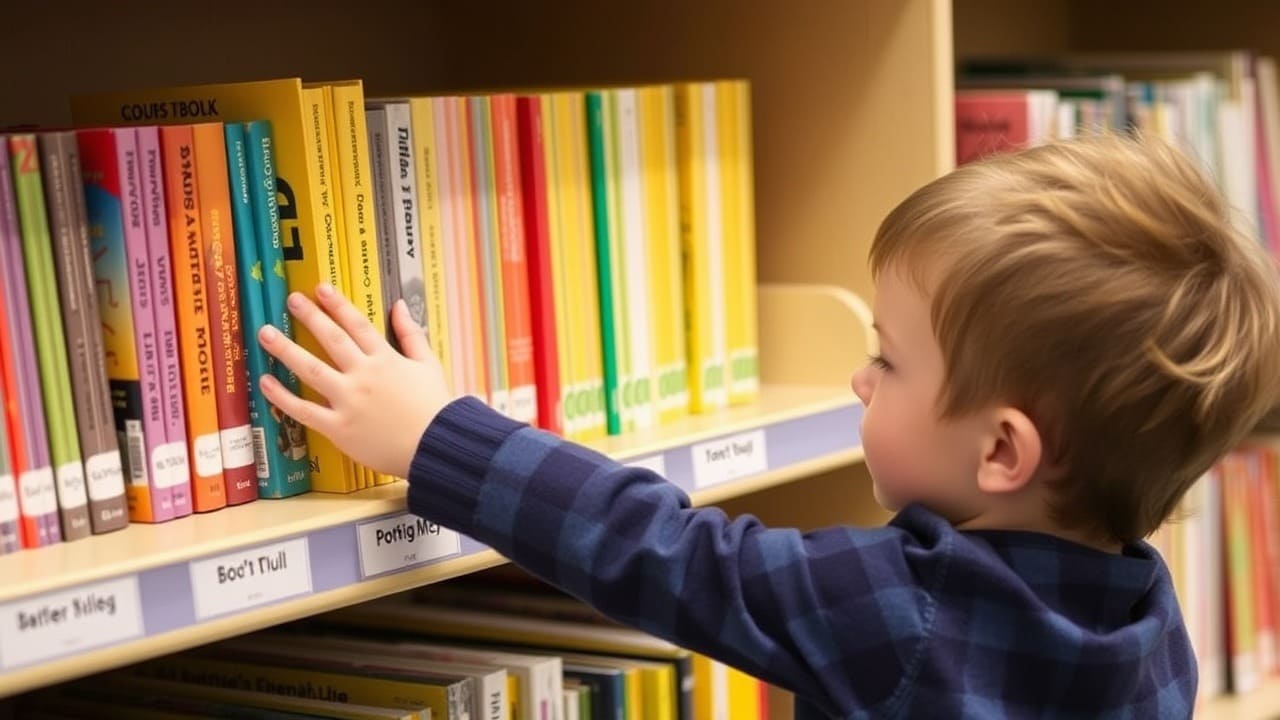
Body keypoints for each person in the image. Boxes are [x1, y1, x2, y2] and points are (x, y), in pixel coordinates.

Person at [256, 133, 1280, 718]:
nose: (855, 376)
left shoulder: (907, 614)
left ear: (1001, 451)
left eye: (886, 358)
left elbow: (666, 552)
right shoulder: (1147, 618)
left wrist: (437, 434)